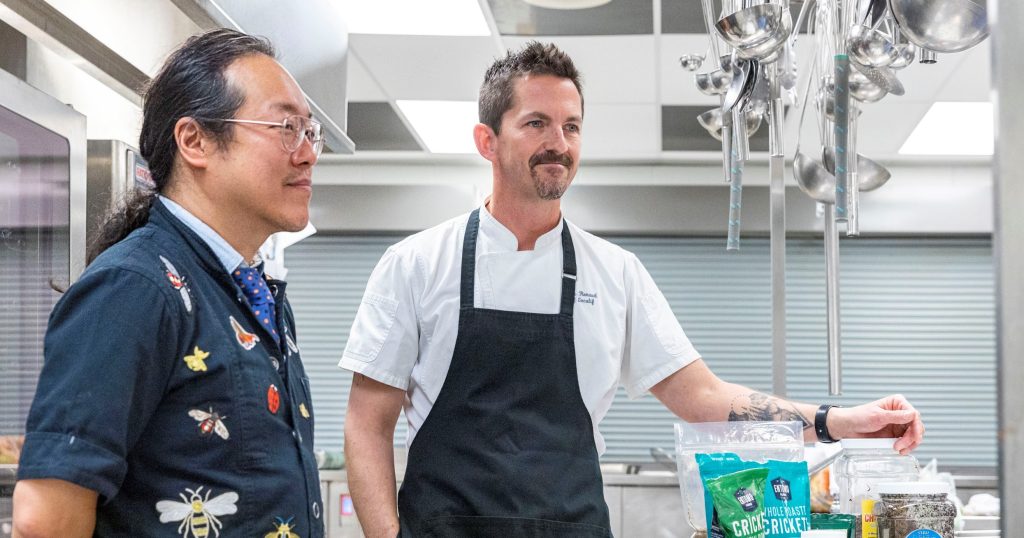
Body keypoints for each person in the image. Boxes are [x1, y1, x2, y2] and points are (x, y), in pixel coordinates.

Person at [341, 42, 925, 538]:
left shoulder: (614, 272)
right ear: (487, 140)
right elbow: (368, 422)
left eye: (571, 126)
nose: (559, 143)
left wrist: (840, 420)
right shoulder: (415, 264)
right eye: (536, 123)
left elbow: (702, 397)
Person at [12, 29, 324, 537]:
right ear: (195, 141)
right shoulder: (135, 288)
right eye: (286, 127)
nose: (308, 153)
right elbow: (45, 520)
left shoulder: (256, 295)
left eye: (311, 132)